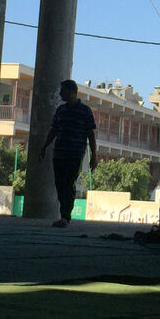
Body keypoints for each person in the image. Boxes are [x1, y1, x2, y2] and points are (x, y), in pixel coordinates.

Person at [38, 80, 98, 227]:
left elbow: (91, 135)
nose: (60, 93)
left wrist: (94, 156)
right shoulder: (60, 110)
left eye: (63, 91)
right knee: (60, 184)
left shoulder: (85, 111)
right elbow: (54, 131)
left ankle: (65, 216)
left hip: (75, 155)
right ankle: (64, 215)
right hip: (59, 154)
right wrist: (44, 147)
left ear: (72, 92)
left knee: (69, 184)